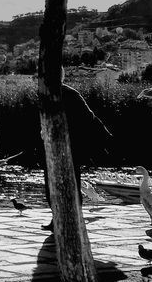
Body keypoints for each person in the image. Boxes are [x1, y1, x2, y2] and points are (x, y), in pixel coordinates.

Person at [41, 81, 113, 232]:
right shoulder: (48, 95)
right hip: (54, 147)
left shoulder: (70, 94)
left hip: (69, 148)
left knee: (69, 185)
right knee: (51, 186)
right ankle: (58, 218)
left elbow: (88, 117)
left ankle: (72, 220)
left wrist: (103, 138)